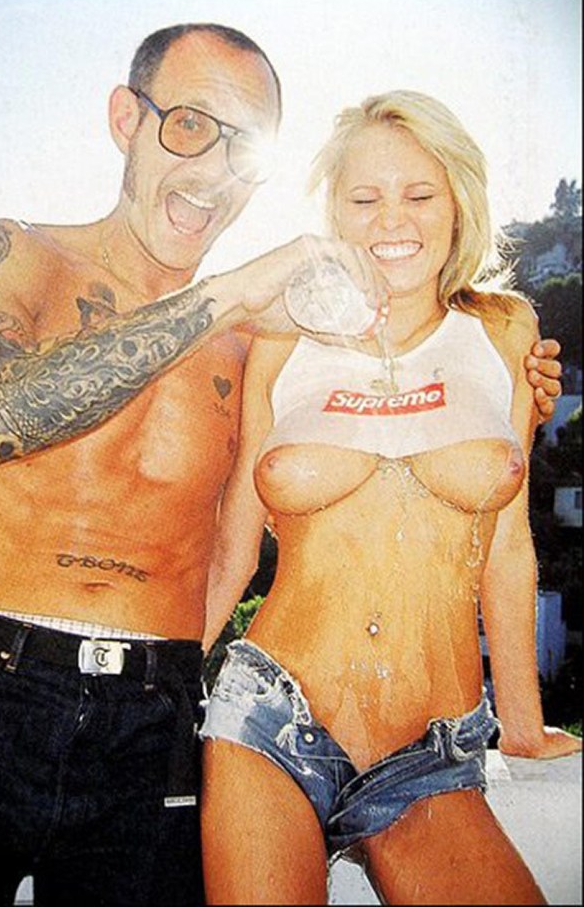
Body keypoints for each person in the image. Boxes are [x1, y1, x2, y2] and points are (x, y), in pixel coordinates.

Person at [0, 21, 563, 906]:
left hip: (150, 721)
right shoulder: (24, 257)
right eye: (189, 125)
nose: (214, 169)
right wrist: (234, 292)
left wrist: (510, 393)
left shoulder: (265, 339)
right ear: (126, 119)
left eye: (243, 147)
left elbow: (299, 496)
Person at [199, 89, 581, 906]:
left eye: (419, 194)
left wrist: (521, 720)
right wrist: (152, 694)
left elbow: (507, 543)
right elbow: (233, 545)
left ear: (458, 202)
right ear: (332, 213)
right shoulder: (281, 338)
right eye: (364, 199)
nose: (391, 221)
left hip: (430, 750)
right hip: (269, 716)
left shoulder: (504, 331)